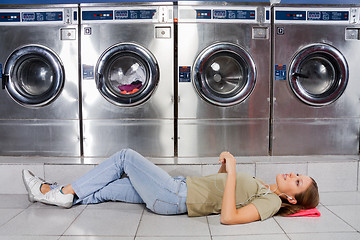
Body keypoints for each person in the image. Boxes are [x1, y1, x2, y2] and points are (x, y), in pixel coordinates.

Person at [22, 149, 319, 225]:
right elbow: (218, 191)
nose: (292, 174)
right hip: (176, 189)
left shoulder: (272, 202)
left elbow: (228, 217)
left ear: (292, 196)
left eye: (297, 180)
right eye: (297, 173)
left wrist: (234, 172)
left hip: (174, 197)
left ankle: (58, 192)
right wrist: (225, 169)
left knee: (125, 157)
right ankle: (56, 194)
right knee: (106, 189)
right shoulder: (264, 187)